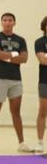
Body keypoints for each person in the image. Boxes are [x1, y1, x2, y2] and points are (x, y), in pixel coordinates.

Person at [0, 13, 32, 152]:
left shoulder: (20, 40)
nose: (7, 22)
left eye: (10, 20)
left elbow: (25, 58)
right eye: (5, 20)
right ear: (1, 22)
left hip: (15, 80)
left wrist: (6, 57)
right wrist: (14, 55)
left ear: (14, 23)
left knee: (16, 112)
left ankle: (21, 143)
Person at [33, 16, 47, 153]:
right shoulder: (40, 42)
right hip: (45, 80)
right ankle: (40, 141)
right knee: (43, 111)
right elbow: (42, 60)